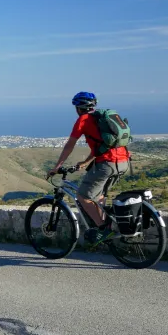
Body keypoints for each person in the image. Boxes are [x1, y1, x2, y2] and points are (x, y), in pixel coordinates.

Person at [48, 92, 131, 244]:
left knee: (83, 196)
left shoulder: (83, 120)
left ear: (79, 108)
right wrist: (86, 162)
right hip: (123, 162)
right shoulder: (100, 120)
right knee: (99, 196)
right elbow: (102, 146)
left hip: (107, 164)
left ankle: (104, 229)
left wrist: (57, 166)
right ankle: (105, 226)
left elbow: (70, 145)